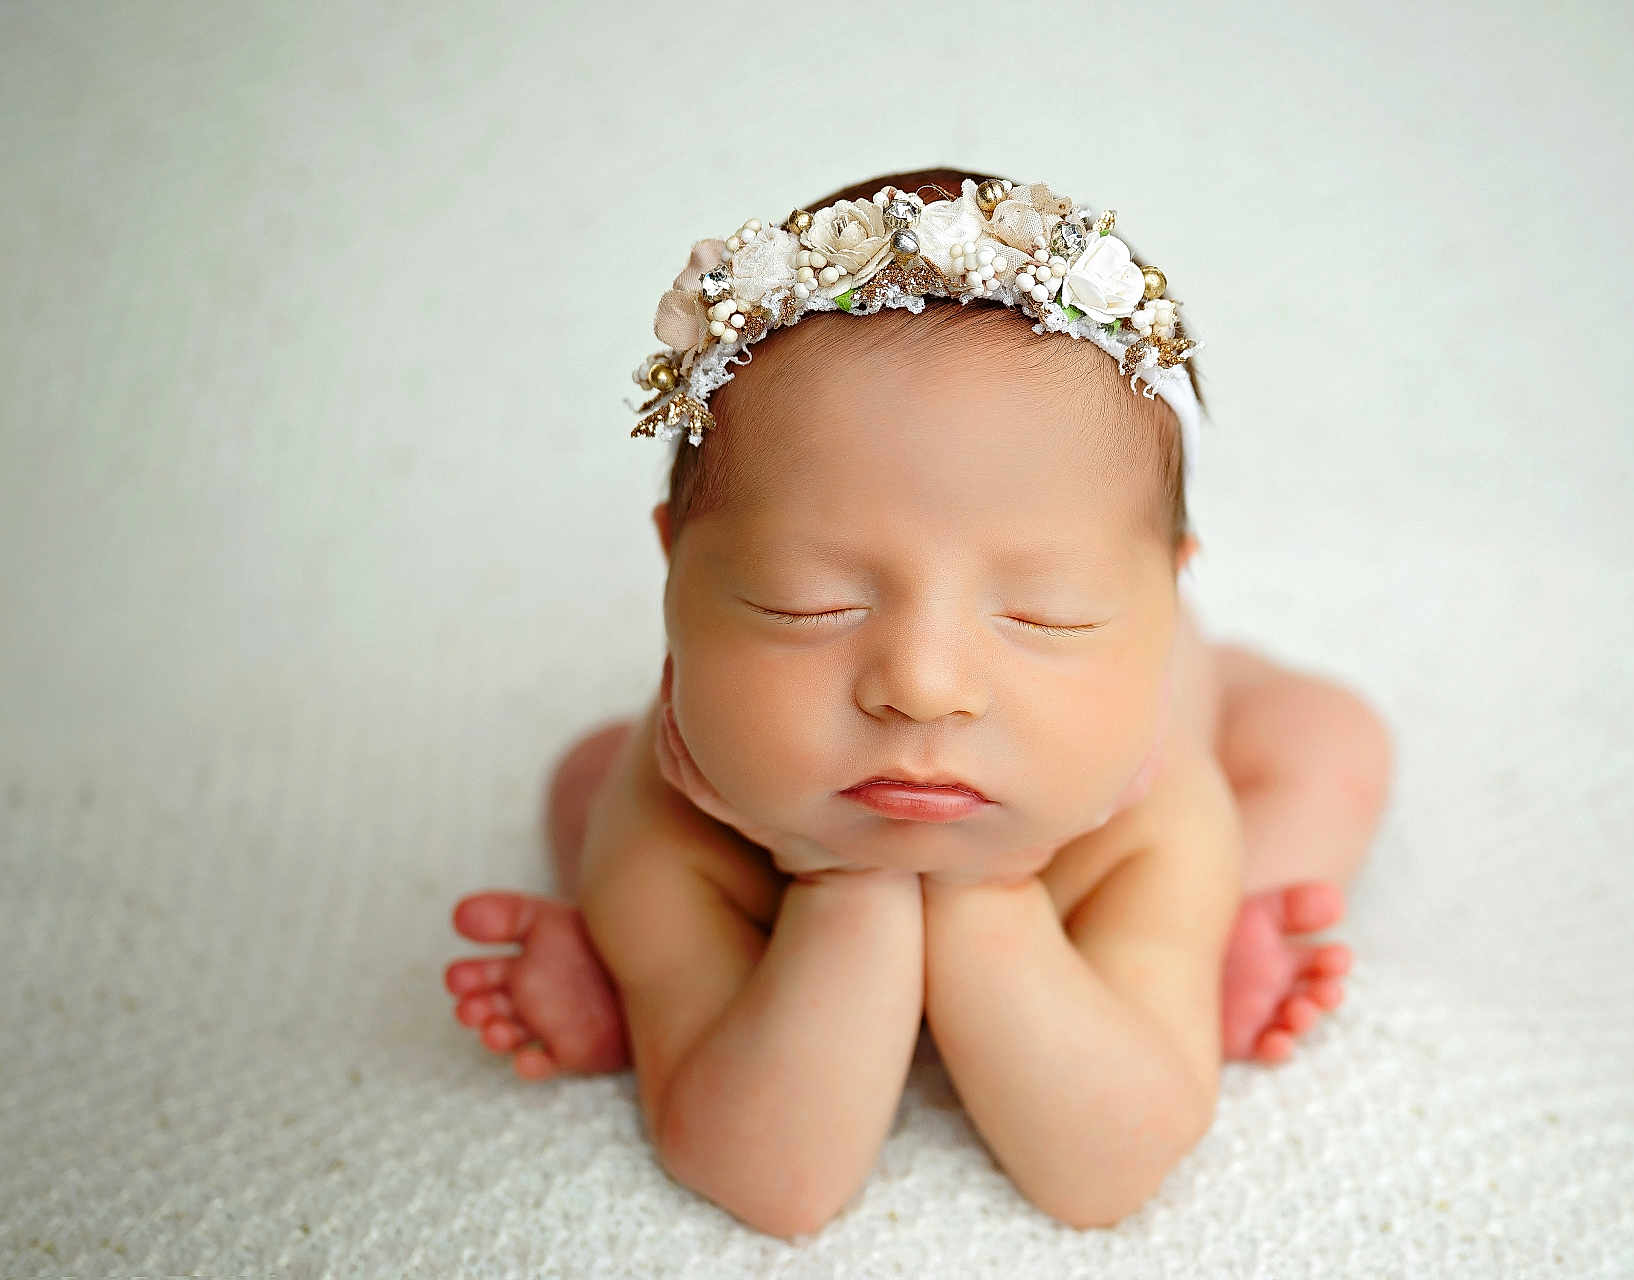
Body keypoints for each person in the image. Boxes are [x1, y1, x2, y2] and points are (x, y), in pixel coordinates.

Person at [442, 167, 1394, 1237]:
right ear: (674, 567)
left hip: (1122, 802)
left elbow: (1103, 1174)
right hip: (762, 820)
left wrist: (991, 894)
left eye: (1048, 612)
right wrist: (842, 880)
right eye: (810, 604)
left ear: (1167, 593)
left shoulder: (1152, 795)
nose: (925, 685)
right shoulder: (677, 816)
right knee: (587, 774)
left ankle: (1210, 941)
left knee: (1328, 744)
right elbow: (776, 1184)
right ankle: (661, 981)